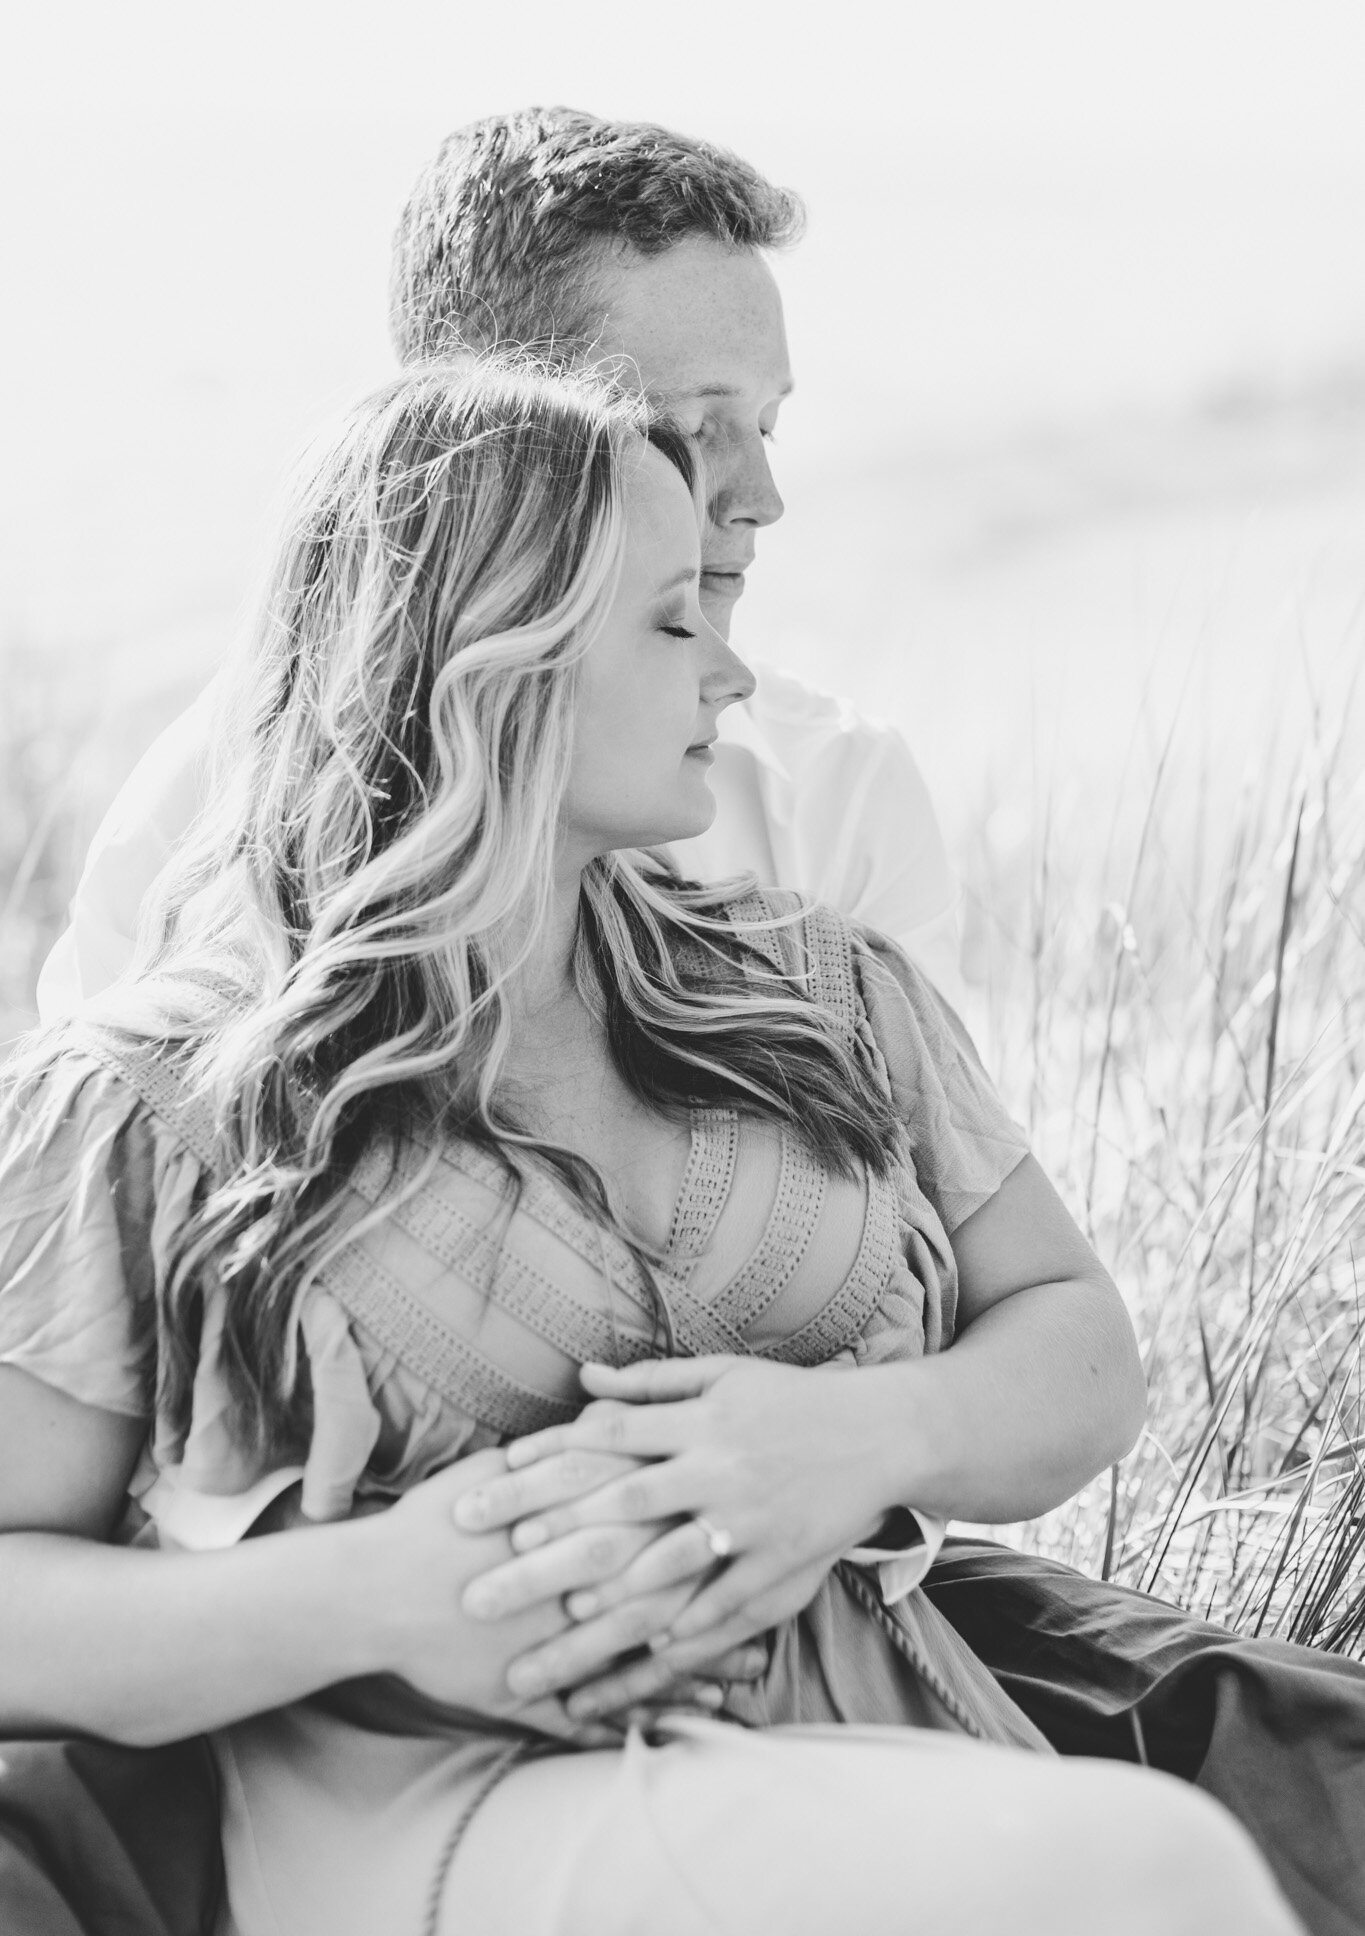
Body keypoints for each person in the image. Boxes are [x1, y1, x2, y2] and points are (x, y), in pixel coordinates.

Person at [0, 360, 1300, 1936]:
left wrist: (868, 1440)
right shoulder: (164, 1102)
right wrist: (381, 1595)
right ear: (500, 663)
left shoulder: (817, 991)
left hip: (887, 1732)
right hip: (456, 1805)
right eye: (674, 619)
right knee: (1152, 1873)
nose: (732, 677)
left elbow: (1085, 1350)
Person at [36, 108, 965, 1029]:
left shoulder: (841, 792)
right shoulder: (205, 819)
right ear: (478, 430)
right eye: (685, 428)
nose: (760, 495)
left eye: (766, 425)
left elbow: (933, 1166)